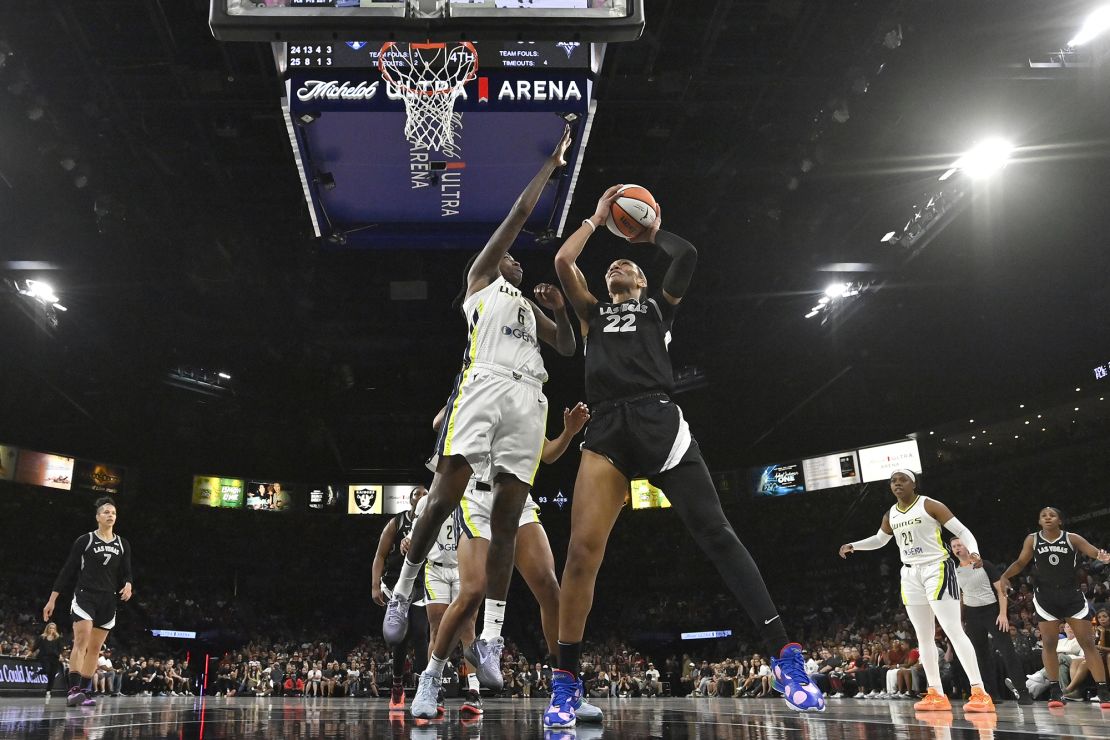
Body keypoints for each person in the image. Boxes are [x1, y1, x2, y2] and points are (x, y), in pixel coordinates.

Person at [544, 187, 824, 728]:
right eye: (612, 265)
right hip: (607, 427)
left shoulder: (658, 309)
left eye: (628, 263)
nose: (617, 265)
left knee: (717, 534)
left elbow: (688, 255)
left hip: (659, 420)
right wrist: (598, 219)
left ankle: (786, 658)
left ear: (644, 280)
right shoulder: (590, 315)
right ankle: (566, 681)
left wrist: (648, 236)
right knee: (581, 553)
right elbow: (562, 260)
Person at [382, 127, 576, 653]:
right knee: (445, 492)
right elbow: (516, 216)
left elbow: (567, 347)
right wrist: (549, 167)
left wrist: (561, 310)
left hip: (527, 395)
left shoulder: (527, 308)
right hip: (485, 381)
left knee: (511, 517)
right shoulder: (481, 282)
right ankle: (404, 586)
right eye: (510, 259)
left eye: (516, 261)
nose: (517, 261)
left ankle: (492, 637)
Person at [411, 402, 604, 722]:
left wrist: (568, 433)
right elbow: (437, 422)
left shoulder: (526, 397)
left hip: (516, 494)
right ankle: (430, 679)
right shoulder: (479, 379)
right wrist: (472, 394)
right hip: (476, 494)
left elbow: (547, 453)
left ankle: (566, 687)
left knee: (549, 587)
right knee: (472, 592)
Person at [839, 470, 994, 713]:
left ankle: (979, 692)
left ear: (914, 484)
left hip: (937, 568)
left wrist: (974, 551)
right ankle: (936, 693)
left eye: (903, 480)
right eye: (893, 481)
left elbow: (962, 531)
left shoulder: (930, 505)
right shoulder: (890, 514)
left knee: (953, 630)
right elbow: (880, 540)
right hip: (910, 573)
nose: (897, 484)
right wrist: (854, 546)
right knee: (923, 636)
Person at [996, 506, 1110, 708]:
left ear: (1060, 521)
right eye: (1043, 516)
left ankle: (1103, 690)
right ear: (1039, 522)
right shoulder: (1032, 539)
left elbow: (1093, 551)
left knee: (1087, 644)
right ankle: (1056, 691)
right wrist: (1004, 575)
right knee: (1049, 643)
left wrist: (1102, 556)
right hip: (1046, 597)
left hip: (1072, 595)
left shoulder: (1071, 538)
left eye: (1052, 515)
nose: (1047, 518)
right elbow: (1021, 562)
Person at [43, 496, 133, 708]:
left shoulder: (123, 543)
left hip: (108, 599)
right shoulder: (86, 540)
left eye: (113, 513)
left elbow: (127, 571)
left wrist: (129, 583)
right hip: (85, 595)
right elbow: (67, 570)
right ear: (97, 517)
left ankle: (85, 690)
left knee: (95, 648)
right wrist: (52, 599)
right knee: (81, 641)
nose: (111, 515)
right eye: (106, 512)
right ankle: (73, 689)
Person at [950, 536, 1033, 704]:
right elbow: (960, 597)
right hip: (972, 615)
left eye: (960, 544)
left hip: (992, 611)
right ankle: (991, 694)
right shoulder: (955, 571)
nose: (957, 548)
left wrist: (1002, 614)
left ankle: (1023, 692)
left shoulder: (984, 564)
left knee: (1007, 651)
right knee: (981, 655)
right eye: (954, 546)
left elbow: (1001, 590)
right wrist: (960, 620)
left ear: (967, 546)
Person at [372, 486, 431, 711]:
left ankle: (426, 686)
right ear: (410, 500)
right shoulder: (396, 522)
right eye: (418, 494)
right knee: (401, 638)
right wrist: (374, 584)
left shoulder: (434, 521)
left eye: (426, 494)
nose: (422, 497)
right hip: (396, 582)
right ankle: (397, 687)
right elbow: (380, 555)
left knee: (420, 632)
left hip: (422, 582)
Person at [31, 623, 63, 697]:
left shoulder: (57, 638)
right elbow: (35, 646)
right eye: (50, 628)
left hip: (55, 658)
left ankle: (48, 691)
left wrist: (60, 656)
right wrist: (29, 653)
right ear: (47, 628)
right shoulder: (42, 637)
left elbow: (60, 648)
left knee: (52, 676)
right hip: (44, 657)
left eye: (53, 628)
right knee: (47, 669)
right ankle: (38, 673)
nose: (52, 629)